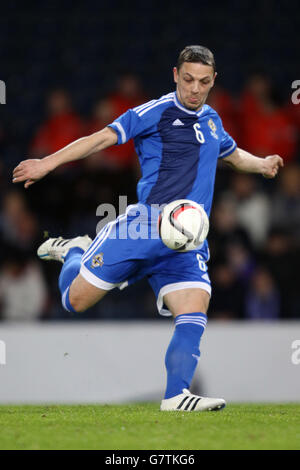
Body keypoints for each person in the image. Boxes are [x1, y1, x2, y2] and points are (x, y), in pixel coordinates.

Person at [12, 45, 283, 412]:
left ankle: (176, 396)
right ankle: (76, 250)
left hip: (186, 240)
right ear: (175, 75)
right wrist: (48, 163)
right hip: (141, 229)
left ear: (213, 81)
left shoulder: (213, 120)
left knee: (194, 306)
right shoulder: (155, 112)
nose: (194, 89)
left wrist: (262, 164)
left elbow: (232, 154)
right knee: (74, 301)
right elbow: (100, 138)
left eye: (203, 82)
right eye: (187, 79)